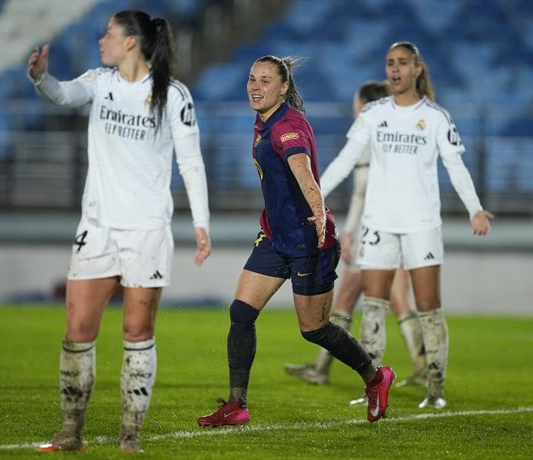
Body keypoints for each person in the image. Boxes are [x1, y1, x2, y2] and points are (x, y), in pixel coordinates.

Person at [27, 10, 211, 452]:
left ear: (131, 42)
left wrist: (201, 224)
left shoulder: (173, 95)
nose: (101, 40)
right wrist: (41, 78)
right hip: (98, 227)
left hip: (147, 230)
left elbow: (190, 162)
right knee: (77, 331)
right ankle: (71, 431)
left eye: (109, 34)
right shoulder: (100, 81)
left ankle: (131, 434)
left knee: (136, 332)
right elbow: (64, 95)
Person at [196, 55, 394, 428]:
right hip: (274, 237)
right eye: (252, 79)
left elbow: (303, 171)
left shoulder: (286, 127)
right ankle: (237, 405)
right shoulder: (264, 119)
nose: (255, 86)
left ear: (283, 88)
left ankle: (375, 377)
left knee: (314, 330)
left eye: (265, 81)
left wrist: (319, 213)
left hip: (308, 239)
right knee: (241, 313)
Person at [319, 42, 494, 410]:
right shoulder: (373, 114)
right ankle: (371, 385)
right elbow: (345, 159)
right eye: (389, 64)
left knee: (429, 305)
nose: (395, 70)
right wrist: (315, 195)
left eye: (402, 63)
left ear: (417, 69)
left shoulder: (435, 117)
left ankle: (436, 387)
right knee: (375, 307)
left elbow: (456, 167)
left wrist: (475, 209)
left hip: (421, 225)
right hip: (379, 224)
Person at [284, 81, 428, 392]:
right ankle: (420, 367)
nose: (353, 108)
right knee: (385, 300)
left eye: (356, 103)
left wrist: (349, 234)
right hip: (390, 230)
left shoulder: (371, 140)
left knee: (355, 300)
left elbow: (363, 193)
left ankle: (334, 369)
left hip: (373, 234)